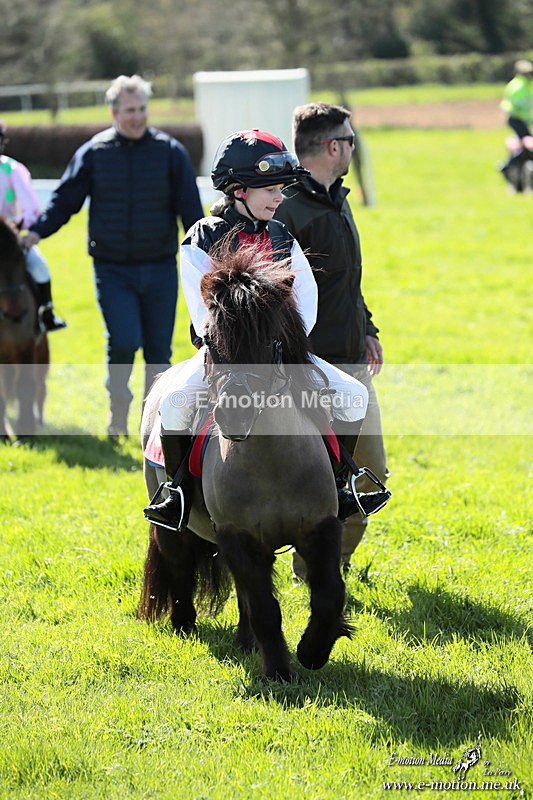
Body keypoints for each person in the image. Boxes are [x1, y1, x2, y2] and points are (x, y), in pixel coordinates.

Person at [144, 128, 389, 532]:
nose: (279, 198)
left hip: (281, 353)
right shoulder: (202, 235)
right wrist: (241, 344)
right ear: (239, 190)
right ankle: (178, 493)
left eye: (280, 189)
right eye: (270, 190)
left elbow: (305, 301)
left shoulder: (281, 235)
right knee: (173, 403)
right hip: (222, 356)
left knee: (353, 393)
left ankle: (343, 483)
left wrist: (283, 344)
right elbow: (202, 308)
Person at [22, 75, 204, 437]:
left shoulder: (170, 153)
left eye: (142, 109)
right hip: (113, 270)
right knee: (122, 341)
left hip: (160, 268)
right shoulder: (94, 153)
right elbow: (65, 201)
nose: (137, 117)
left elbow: (192, 213)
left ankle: (154, 424)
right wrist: (36, 232)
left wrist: (209, 254)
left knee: (158, 352)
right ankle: (117, 413)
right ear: (113, 111)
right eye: (129, 110)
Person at [274, 102, 389, 578]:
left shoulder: (337, 198)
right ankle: (315, 570)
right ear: (331, 146)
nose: (353, 146)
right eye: (349, 139)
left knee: (371, 476)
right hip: (308, 372)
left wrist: (366, 327)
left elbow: (348, 279)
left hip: (353, 365)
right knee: (315, 482)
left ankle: (326, 564)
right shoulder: (285, 211)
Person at [0, 120, 66, 332]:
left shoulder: (12, 170)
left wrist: (20, 228)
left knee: (39, 266)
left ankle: (46, 313)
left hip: (7, 239)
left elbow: (31, 207)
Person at [499, 59, 533, 180]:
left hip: (518, 119)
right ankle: (507, 166)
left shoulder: (521, 83)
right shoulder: (519, 85)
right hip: (517, 119)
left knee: (524, 144)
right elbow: (519, 104)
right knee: (527, 144)